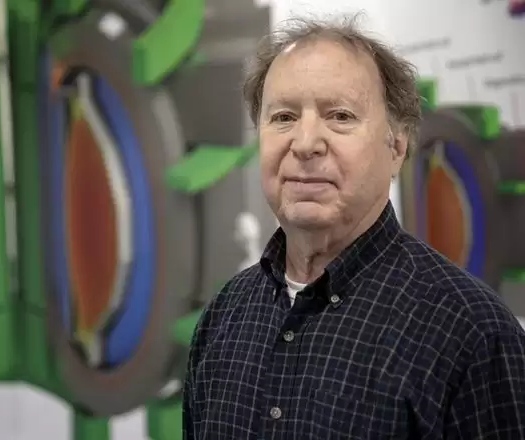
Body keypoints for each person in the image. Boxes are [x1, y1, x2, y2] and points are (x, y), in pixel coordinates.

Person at [182, 15, 525, 440]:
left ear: (396, 146)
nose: (305, 143)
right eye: (284, 117)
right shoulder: (223, 316)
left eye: (340, 116)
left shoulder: (471, 333)